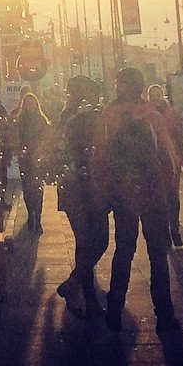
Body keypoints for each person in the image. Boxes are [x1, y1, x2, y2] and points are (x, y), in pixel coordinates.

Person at [92, 67, 180, 333]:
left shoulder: (109, 114)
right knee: (158, 253)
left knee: (124, 250)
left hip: (124, 192)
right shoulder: (151, 114)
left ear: (122, 85)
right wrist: (168, 187)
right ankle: (164, 315)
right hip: (153, 191)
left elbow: (100, 155)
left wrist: (104, 191)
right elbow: (169, 155)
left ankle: (115, 307)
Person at [55, 75, 108, 319]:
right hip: (88, 187)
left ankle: (79, 290)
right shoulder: (86, 117)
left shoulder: (67, 115)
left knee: (85, 243)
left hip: (71, 186)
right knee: (98, 242)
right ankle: (80, 290)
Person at [147, 84, 183, 248]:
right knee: (160, 197)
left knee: (173, 196)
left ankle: (175, 229)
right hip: (155, 160)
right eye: (152, 95)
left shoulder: (171, 114)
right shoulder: (147, 114)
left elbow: (179, 135)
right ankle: (165, 232)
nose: (155, 97)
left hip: (171, 159)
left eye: (158, 94)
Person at [16, 92, 51, 234]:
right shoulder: (21, 120)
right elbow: (17, 138)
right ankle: (31, 214)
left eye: (32, 103)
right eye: (28, 103)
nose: (30, 106)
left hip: (37, 157)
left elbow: (47, 136)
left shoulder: (41, 119)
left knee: (37, 188)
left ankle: (38, 218)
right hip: (26, 158)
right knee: (27, 188)